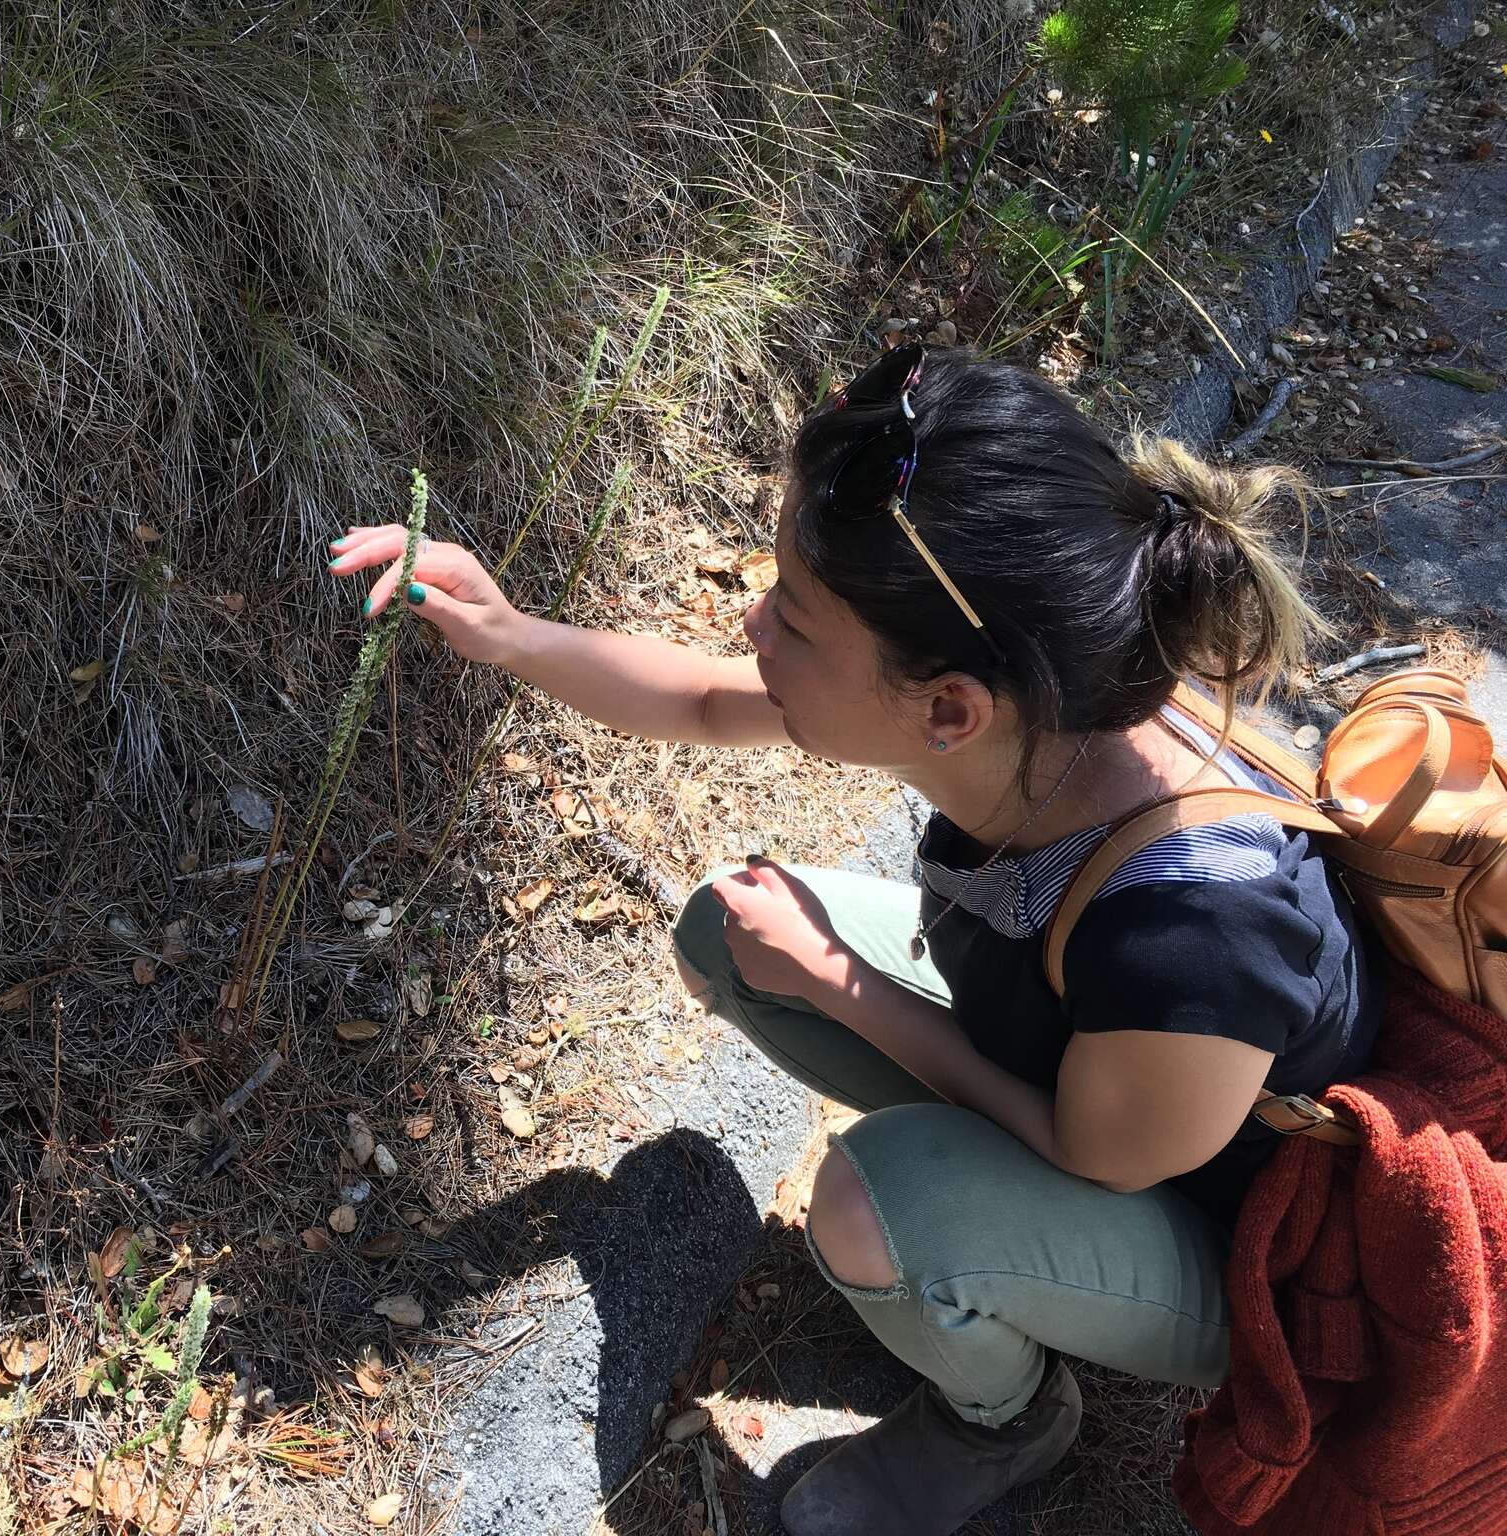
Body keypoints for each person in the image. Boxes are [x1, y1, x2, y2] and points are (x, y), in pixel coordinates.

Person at [324, 344, 1381, 1536]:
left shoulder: (1195, 927)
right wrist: (511, 634)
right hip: (1096, 1079)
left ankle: (1005, 1418)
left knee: (876, 1204)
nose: (749, 624)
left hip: (1233, 1240)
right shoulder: (1043, 687)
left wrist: (839, 982)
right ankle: (981, 1285)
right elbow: (702, 696)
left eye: (791, 616)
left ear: (947, 709)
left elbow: (1097, 1158)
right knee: (731, 931)